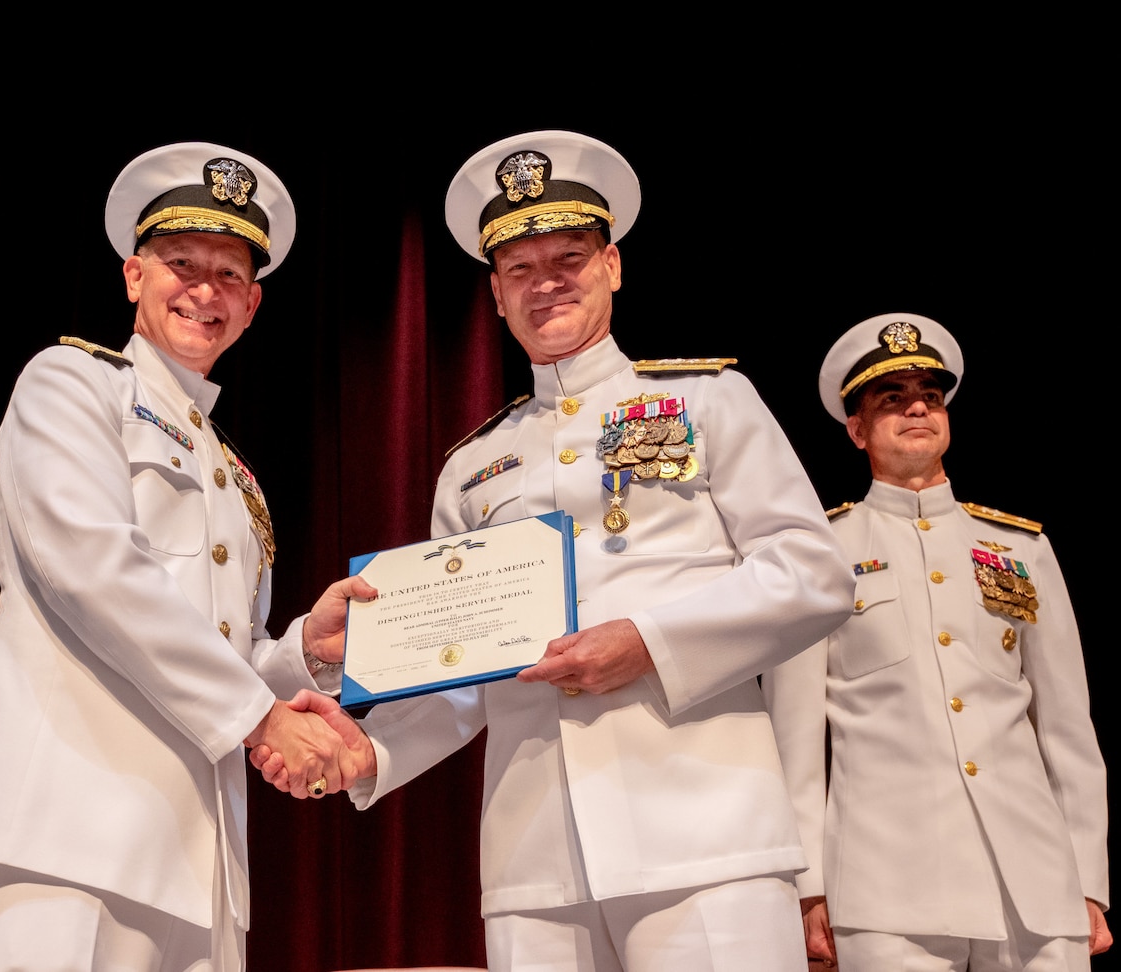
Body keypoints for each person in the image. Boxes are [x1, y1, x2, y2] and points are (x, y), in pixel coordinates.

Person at [258, 130, 855, 970]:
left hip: (706, 833)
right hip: (537, 856)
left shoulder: (710, 399)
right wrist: (373, 749)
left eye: (569, 257)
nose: (546, 284)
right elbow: (459, 672)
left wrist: (646, 642)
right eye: (520, 270)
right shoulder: (470, 468)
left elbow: (814, 572)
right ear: (496, 295)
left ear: (612, 264)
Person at [0, 141, 373, 972]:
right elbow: (94, 571)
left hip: (199, 860)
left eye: (229, 275)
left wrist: (303, 653)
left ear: (254, 305)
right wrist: (260, 717)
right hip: (64, 826)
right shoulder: (70, 384)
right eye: (181, 262)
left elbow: (222, 656)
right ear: (134, 276)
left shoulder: (237, 477)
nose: (205, 290)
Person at [762, 312, 1111, 970]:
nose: (916, 407)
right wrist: (807, 889)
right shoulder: (822, 554)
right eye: (890, 398)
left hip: (1035, 884)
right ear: (857, 429)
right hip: (887, 888)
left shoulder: (1018, 549)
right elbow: (796, 744)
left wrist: (1088, 880)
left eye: (929, 394)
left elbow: (1068, 731)